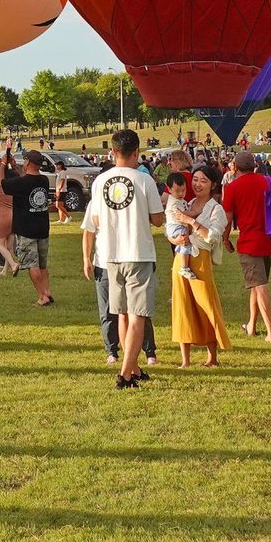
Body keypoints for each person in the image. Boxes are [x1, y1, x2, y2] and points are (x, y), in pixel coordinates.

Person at [80, 128, 162, 389]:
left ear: (112, 152)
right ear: (137, 152)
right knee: (138, 314)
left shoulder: (99, 181)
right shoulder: (143, 180)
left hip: (110, 254)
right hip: (137, 252)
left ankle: (134, 368)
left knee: (123, 315)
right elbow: (158, 219)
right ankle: (126, 373)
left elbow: (94, 219)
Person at [170, 170, 231, 367]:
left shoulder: (216, 209)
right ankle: (185, 360)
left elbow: (212, 236)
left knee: (207, 304)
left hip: (201, 259)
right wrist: (174, 238)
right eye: (195, 180)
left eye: (203, 181)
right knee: (182, 306)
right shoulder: (185, 203)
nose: (197, 184)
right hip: (181, 258)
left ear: (213, 184)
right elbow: (170, 229)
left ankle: (212, 357)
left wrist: (190, 221)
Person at [220, 150, 271, 343]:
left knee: (260, 286)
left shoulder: (232, 187)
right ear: (255, 166)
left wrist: (225, 239)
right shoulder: (268, 181)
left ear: (235, 168)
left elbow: (227, 219)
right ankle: (252, 325)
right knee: (256, 285)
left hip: (249, 242)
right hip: (269, 239)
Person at [0, 146, 55, 306]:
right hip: (43, 228)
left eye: (24, 159)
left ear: (29, 162)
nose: (22, 161)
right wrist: (15, 166)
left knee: (32, 264)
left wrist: (3, 165)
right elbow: (27, 179)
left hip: (26, 230)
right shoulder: (43, 180)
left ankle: (42, 296)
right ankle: (47, 291)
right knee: (43, 264)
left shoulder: (21, 182)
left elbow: (1, 183)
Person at [162, 170, 199, 280]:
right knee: (185, 244)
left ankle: (179, 264)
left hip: (177, 226)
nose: (181, 194)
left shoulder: (180, 200)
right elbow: (184, 215)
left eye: (183, 190)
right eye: (177, 191)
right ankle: (184, 267)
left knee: (182, 245)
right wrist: (196, 213)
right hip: (175, 226)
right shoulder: (174, 202)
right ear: (169, 190)